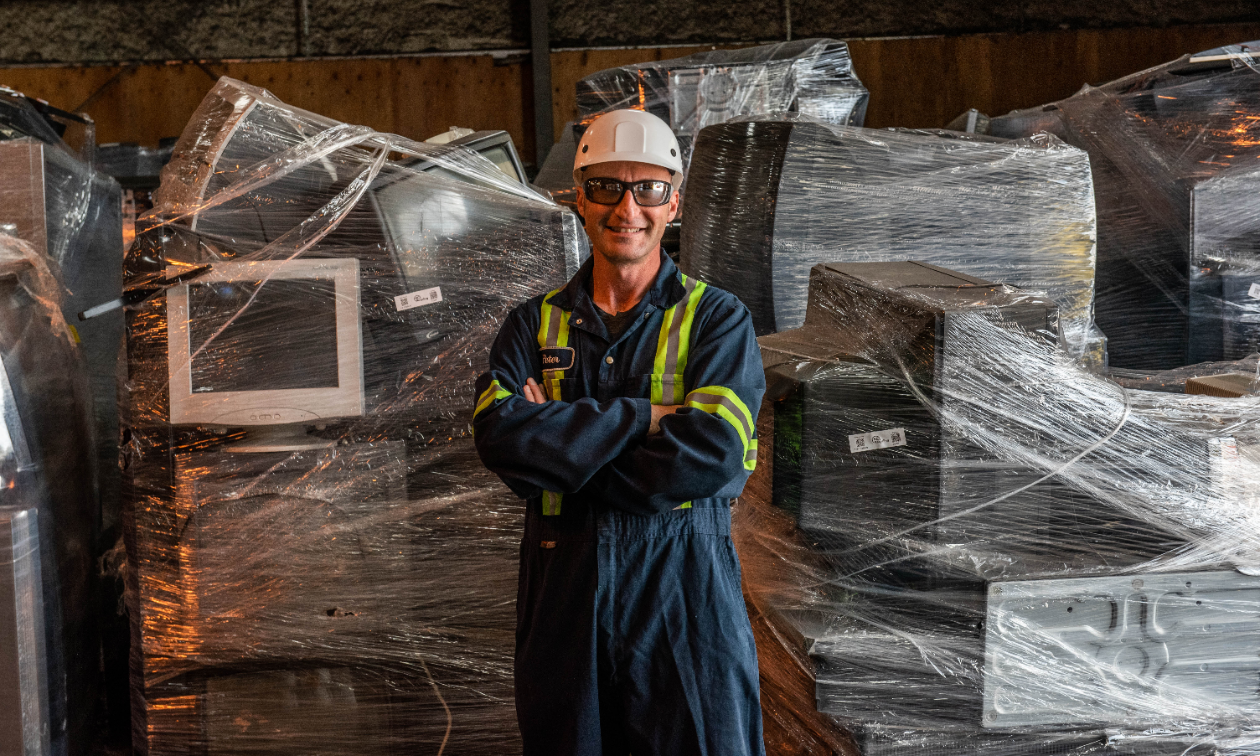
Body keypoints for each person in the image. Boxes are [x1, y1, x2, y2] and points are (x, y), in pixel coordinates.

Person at [472, 108, 765, 756]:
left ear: (673, 202)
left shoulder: (716, 321)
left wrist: (559, 449)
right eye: (606, 186)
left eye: (648, 188)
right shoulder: (531, 325)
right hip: (562, 606)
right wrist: (646, 416)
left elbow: (710, 455)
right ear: (579, 197)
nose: (626, 207)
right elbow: (500, 438)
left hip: (683, 604)